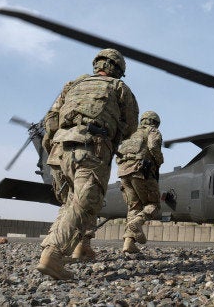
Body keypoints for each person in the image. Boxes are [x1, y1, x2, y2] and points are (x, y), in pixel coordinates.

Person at [37, 48, 139, 280]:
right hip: (92, 148)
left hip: (60, 150)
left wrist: (55, 146)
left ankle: (78, 247)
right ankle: (52, 255)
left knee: (72, 202)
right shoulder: (119, 88)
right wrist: (112, 137)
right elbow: (132, 127)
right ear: (118, 69)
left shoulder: (72, 85)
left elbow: (51, 119)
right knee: (86, 203)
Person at [116, 110, 164, 253]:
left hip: (123, 173)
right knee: (153, 204)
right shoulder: (152, 131)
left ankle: (128, 244)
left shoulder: (130, 133)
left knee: (134, 208)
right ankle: (138, 222)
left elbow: (119, 153)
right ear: (155, 122)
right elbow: (153, 146)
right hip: (141, 172)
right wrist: (159, 160)